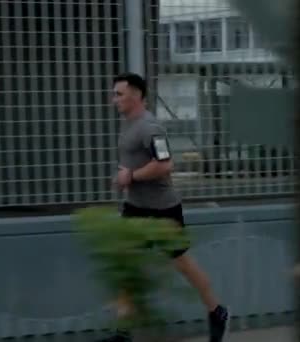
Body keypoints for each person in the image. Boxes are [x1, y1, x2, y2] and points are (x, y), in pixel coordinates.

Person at [98, 73, 229, 342]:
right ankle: (122, 333)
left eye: (118, 94)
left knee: (183, 265)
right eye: (114, 94)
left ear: (136, 95)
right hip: (135, 207)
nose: (114, 100)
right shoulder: (128, 125)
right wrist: (124, 175)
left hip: (162, 210)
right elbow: (135, 161)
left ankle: (217, 311)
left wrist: (130, 176)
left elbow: (165, 164)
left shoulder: (150, 127)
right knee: (127, 265)